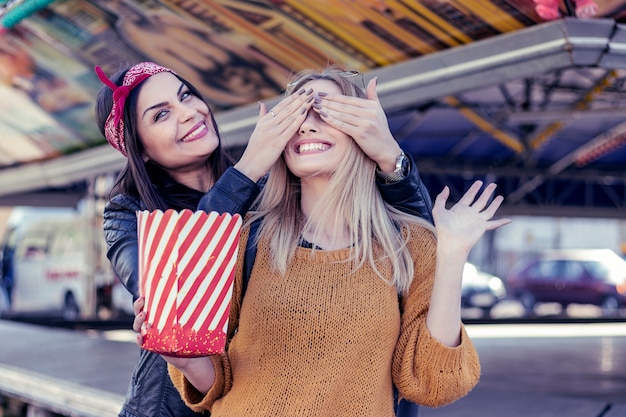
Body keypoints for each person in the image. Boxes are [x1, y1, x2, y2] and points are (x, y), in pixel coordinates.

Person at [133, 66, 511, 416]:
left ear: (364, 129)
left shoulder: (410, 244)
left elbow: (434, 383)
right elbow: (219, 382)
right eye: (296, 115)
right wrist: (183, 360)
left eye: (327, 112)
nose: (306, 127)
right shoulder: (245, 239)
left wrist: (453, 253)